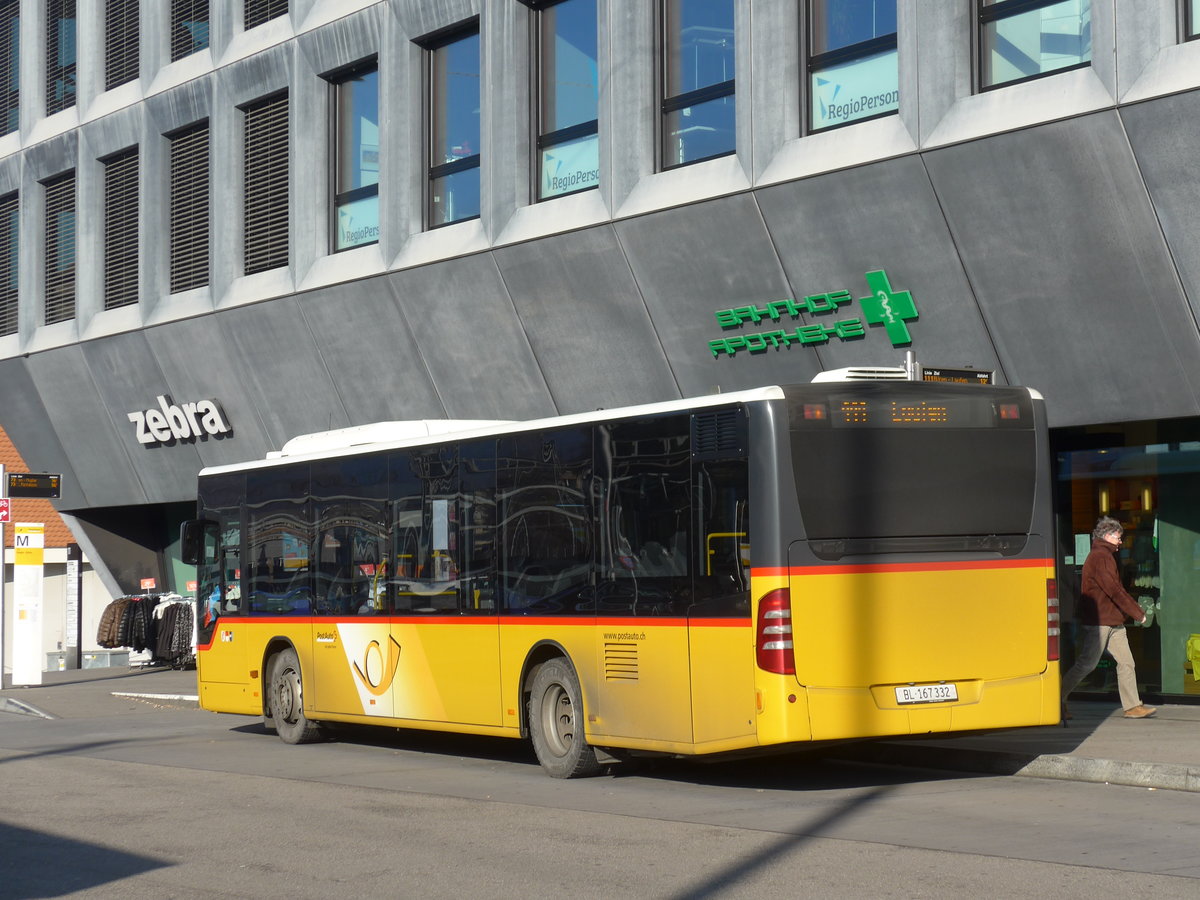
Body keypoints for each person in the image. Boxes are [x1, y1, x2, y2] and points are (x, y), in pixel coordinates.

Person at [1060, 516, 1156, 720]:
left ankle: (1132, 706)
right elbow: (1114, 589)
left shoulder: (1104, 555)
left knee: (1126, 663)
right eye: (1118, 537)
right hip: (1100, 621)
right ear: (1107, 536)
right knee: (1087, 664)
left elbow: (1115, 589)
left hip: (1112, 620)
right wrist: (1137, 612)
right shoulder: (1100, 557)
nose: (1120, 542)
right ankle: (1056, 699)